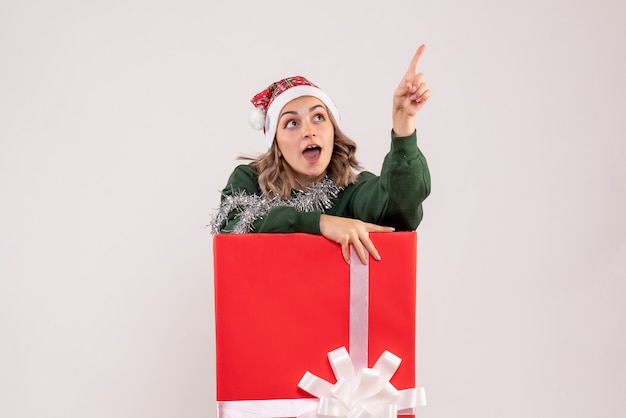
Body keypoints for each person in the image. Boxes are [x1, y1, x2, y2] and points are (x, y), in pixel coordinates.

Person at [210, 45, 431, 265]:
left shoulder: (354, 190)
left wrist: (403, 127)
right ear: (275, 142)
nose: (309, 131)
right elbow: (231, 227)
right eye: (292, 123)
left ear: (333, 132)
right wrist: (321, 224)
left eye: (318, 117)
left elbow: (399, 213)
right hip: (266, 300)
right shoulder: (249, 181)